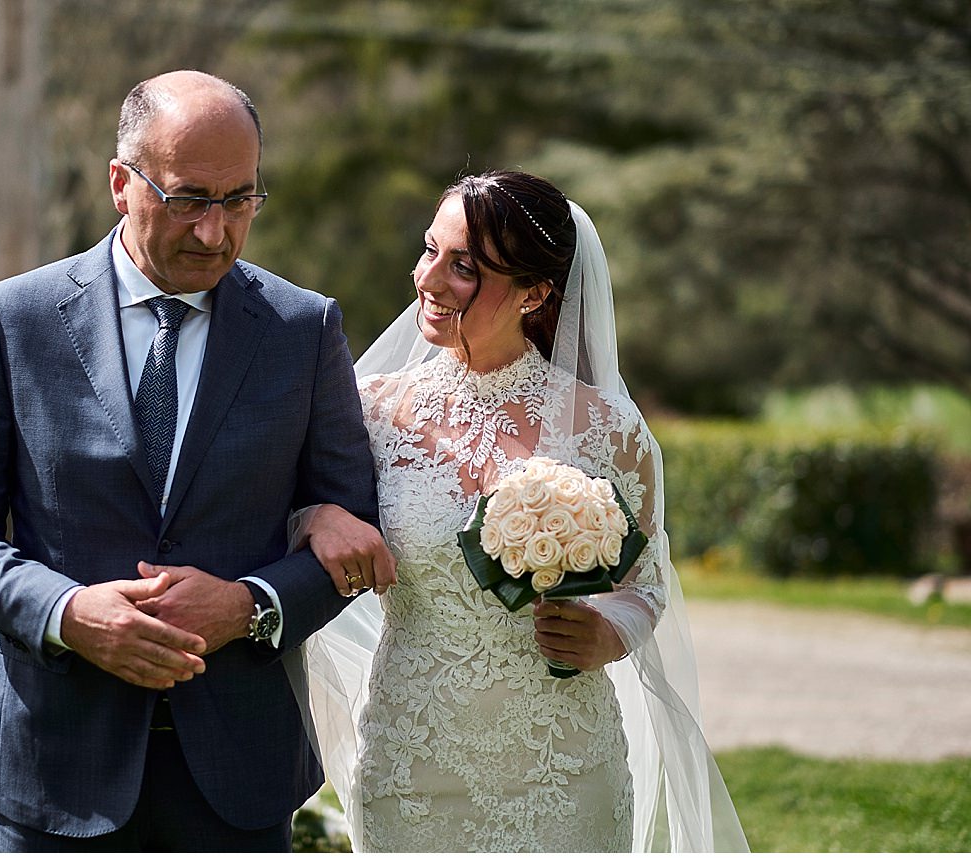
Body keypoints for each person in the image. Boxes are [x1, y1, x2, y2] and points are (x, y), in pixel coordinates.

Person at [0, 69, 391, 851]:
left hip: (240, 778)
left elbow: (355, 529)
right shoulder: (11, 320)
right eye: (189, 199)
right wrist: (67, 614)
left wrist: (250, 604)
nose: (216, 232)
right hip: (58, 772)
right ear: (119, 183)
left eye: (240, 200)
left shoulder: (303, 331)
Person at [290, 171, 749, 851]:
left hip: (562, 762)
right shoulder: (371, 411)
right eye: (430, 251)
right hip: (412, 755)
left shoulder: (605, 428)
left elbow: (647, 580)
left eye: (465, 267)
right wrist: (315, 520)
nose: (430, 279)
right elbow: (300, 516)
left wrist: (609, 632)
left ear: (535, 293)